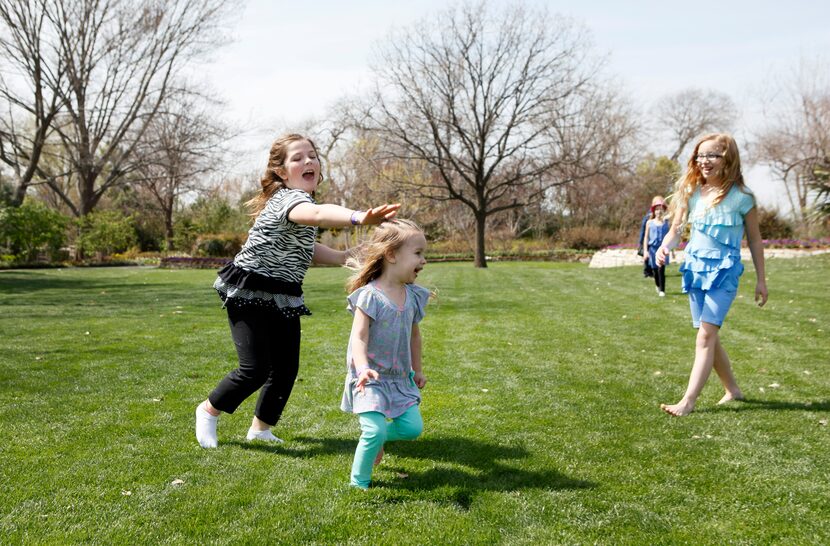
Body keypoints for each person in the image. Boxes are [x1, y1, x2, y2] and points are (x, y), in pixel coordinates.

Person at [195, 133, 401, 448]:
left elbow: (308, 247)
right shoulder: (289, 198)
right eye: (298, 158)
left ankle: (260, 429)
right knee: (255, 369)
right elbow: (317, 216)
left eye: (312, 155)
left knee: (286, 368)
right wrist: (358, 217)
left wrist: (346, 257)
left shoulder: (303, 205)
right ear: (281, 172)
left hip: (283, 293)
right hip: (250, 289)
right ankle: (209, 410)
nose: (308, 161)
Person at [656, 133, 767, 416]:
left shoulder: (743, 198)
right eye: (700, 156)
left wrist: (761, 280)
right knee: (709, 336)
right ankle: (733, 390)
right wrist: (664, 248)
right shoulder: (691, 192)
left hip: (724, 272)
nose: (704, 161)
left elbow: (755, 240)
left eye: (712, 155)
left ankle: (688, 402)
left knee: (705, 337)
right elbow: (676, 230)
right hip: (694, 269)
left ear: (727, 158)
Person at [340, 219, 430, 489]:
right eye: (417, 253)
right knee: (374, 428)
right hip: (370, 377)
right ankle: (359, 482)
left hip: (400, 377)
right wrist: (363, 367)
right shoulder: (369, 296)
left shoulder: (413, 297)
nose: (424, 261)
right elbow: (359, 336)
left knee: (412, 428)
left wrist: (418, 370)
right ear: (391, 255)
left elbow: (415, 336)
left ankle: (377, 440)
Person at [644, 198, 670, 296]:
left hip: (662, 248)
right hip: (653, 249)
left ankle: (662, 290)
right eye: (657, 209)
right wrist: (646, 251)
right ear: (654, 211)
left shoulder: (666, 223)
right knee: (655, 269)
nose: (659, 211)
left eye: (660, 209)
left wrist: (672, 251)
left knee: (661, 269)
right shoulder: (649, 223)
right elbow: (646, 237)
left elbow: (669, 237)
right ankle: (657, 285)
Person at [638, 196, 666, 278]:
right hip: (650, 240)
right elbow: (644, 230)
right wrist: (641, 243)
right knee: (647, 256)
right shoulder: (649, 216)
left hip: (658, 241)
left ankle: (655, 272)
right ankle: (647, 271)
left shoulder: (662, 215)